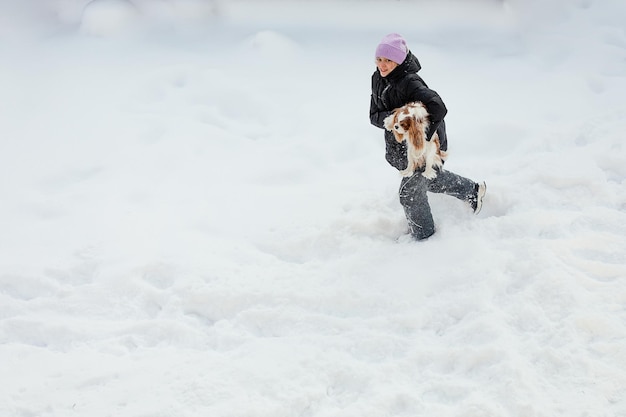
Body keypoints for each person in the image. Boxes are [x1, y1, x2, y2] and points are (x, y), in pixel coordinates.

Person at [369, 33, 486, 241]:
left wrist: (422, 140)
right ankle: (473, 191)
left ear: (399, 60)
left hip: (423, 149)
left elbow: (439, 108)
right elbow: (374, 116)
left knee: (410, 195)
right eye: (379, 59)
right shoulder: (377, 79)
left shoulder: (410, 82)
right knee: (431, 179)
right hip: (401, 148)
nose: (382, 65)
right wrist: (396, 119)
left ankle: (425, 240)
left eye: (388, 60)